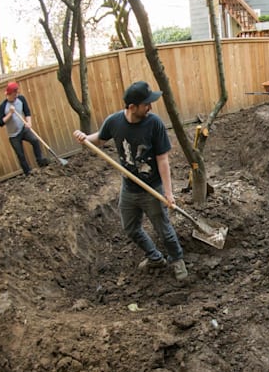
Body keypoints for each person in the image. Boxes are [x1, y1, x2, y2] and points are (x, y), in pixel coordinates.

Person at [73, 81, 188, 281]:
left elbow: (163, 160)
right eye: (146, 104)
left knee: (164, 230)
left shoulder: (154, 124)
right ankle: (155, 257)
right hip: (129, 189)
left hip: (152, 187)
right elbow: (100, 139)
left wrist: (168, 193)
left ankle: (177, 259)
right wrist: (85, 137)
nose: (150, 107)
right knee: (131, 228)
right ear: (132, 107)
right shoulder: (114, 122)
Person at [0, 81, 49, 175]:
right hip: (13, 136)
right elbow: (1, 123)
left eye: (17, 93)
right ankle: (28, 172)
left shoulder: (21, 99)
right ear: (9, 94)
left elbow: (27, 112)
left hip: (23, 129)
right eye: (14, 93)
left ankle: (40, 161)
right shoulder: (3, 106)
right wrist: (10, 113)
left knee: (35, 140)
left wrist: (29, 122)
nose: (16, 95)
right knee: (20, 154)